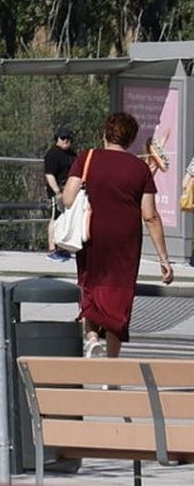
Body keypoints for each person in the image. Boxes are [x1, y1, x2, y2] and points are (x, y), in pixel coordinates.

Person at [61, 112, 174, 358]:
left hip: (92, 236)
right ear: (131, 139)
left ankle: (91, 338)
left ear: (105, 133)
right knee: (118, 296)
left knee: (90, 285)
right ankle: (111, 365)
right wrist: (164, 259)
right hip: (125, 242)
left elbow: (67, 199)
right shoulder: (140, 169)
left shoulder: (87, 157)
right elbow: (150, 215)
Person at [43, 128, 77, 261]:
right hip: (57, 190)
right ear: (57, 139)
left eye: (68, 138)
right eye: (63, 138)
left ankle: (62, 247)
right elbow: (49, 174)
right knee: (55, 217)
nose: (66, 141)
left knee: (66, 219)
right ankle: (52, 247)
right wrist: (57, 192)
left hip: (69, 190)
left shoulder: (72, 154)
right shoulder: (53, 154)